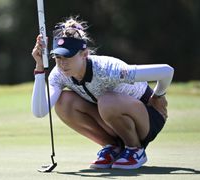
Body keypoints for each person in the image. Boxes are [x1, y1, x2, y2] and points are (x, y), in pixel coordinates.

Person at [31, 16, 174, 170]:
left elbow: (166, 71)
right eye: (58, 57)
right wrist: (39, 67)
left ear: (84, 54)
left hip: (148, 117)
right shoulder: (59, 74)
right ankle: (113, 147)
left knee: (107, 101)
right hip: (113, 120)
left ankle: (135, 150)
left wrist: (158, 95)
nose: (62, 63)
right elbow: (40, 111)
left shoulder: (109, 69)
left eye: (68, 56)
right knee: (63, 102)